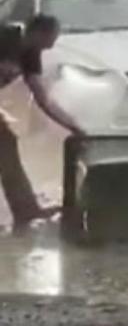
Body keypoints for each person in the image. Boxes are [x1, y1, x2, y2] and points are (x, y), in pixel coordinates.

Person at [0, 15, 83, 229]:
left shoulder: (30, 53)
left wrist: (72, 125)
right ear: (39, 33)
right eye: (52, 37)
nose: (54, 43)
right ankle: (25, 210)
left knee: (6, 148)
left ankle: (25, 211)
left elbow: (42, 98)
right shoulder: (5, 37)